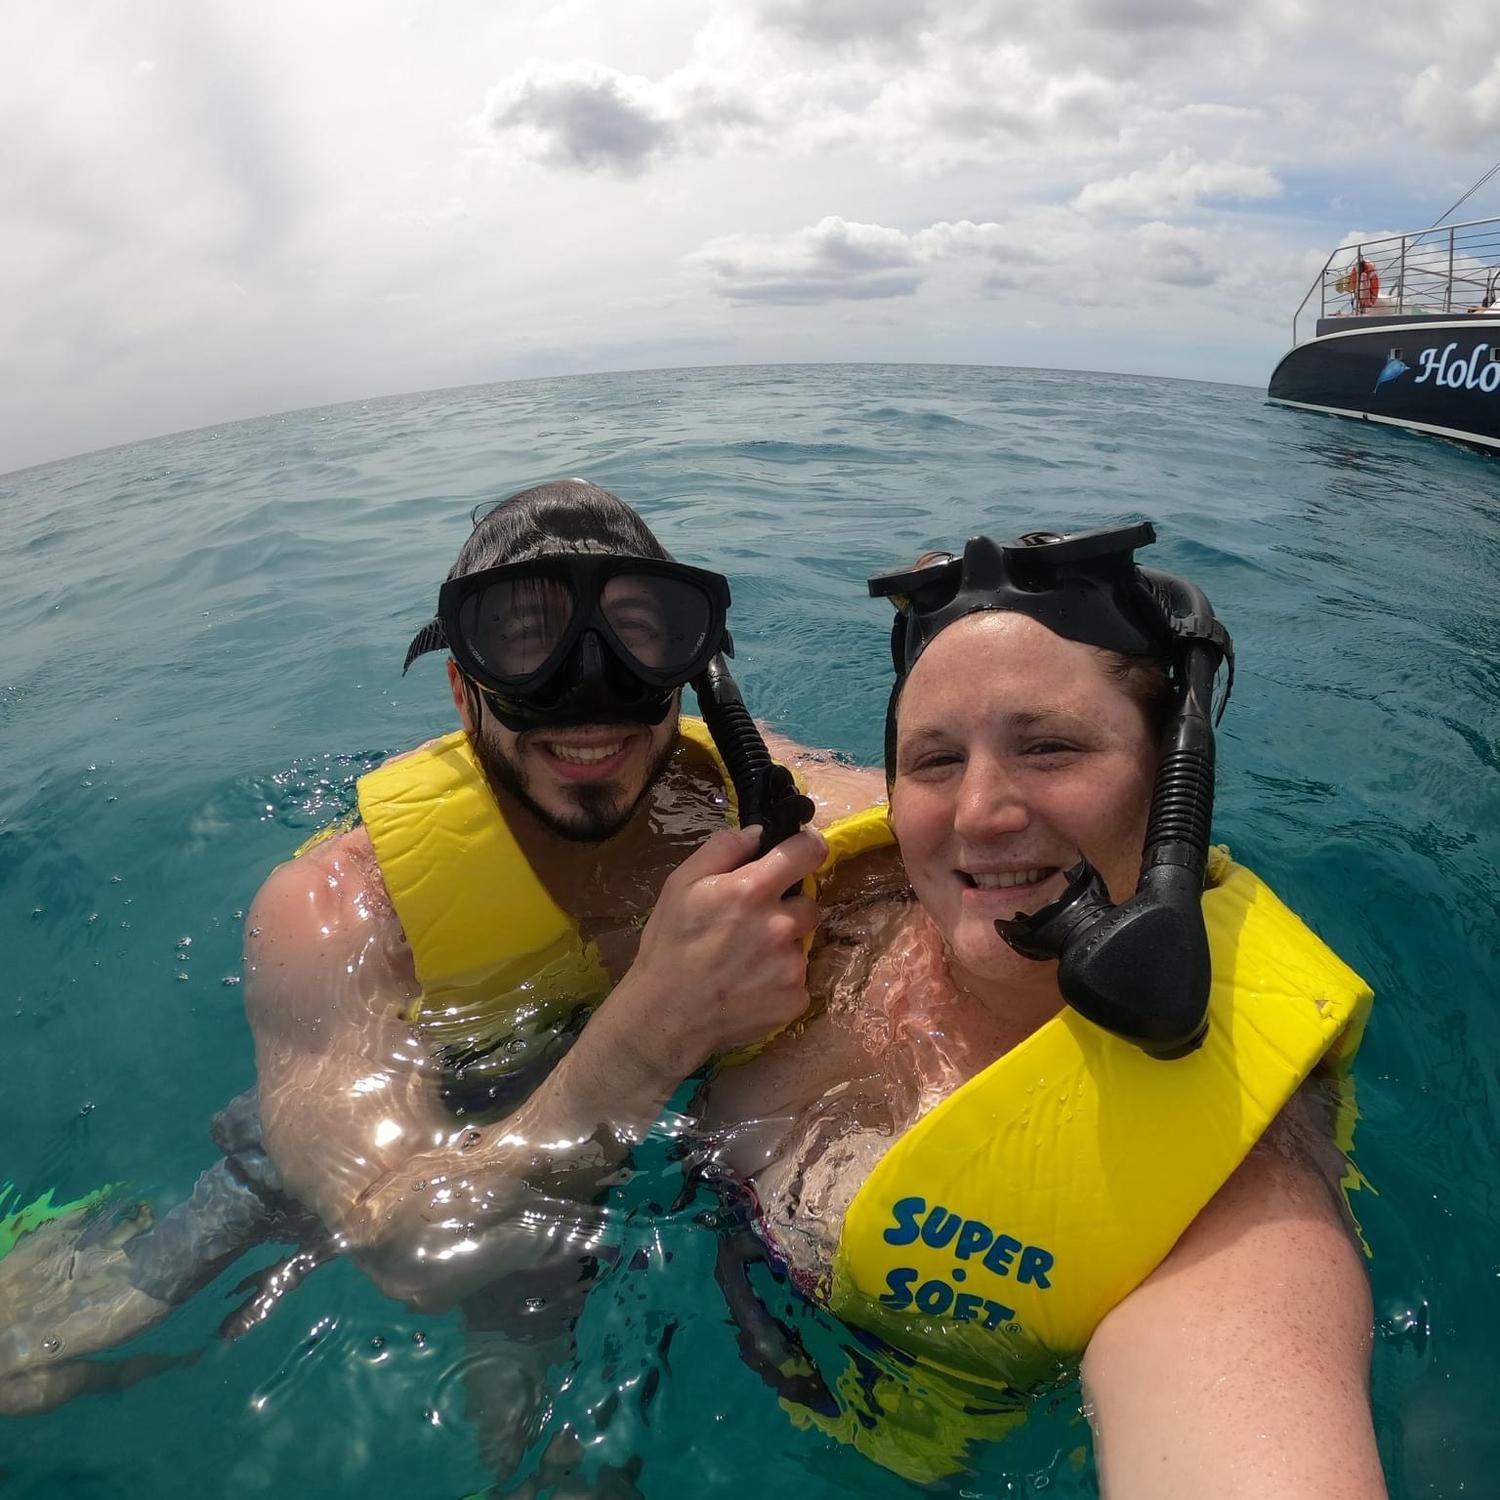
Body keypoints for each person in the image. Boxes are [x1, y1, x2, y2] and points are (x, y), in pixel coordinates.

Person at [0, 480, 883, 1488]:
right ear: (463, 691)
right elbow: (403, 1257)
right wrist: (652, 1031)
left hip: (609, 1125)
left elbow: (949, 828)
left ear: (689, 676)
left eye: (635, 639)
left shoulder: (744, 794)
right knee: (43, 1357)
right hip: (400, 1129)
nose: (587, 694)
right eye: (526, 642)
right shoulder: (333, 910)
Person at [702, 523, 1389, 1497]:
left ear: (1174, 789)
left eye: (1051, 747)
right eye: (936, 759)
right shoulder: (850, 894)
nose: (980, 811)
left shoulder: (1232, 1194)